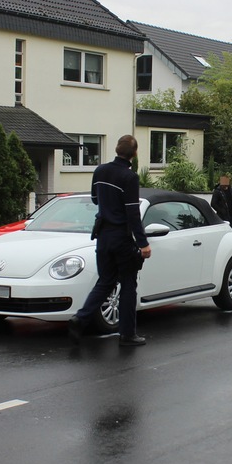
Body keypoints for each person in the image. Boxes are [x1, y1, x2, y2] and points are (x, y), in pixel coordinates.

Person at [67, 135, 152, 347]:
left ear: (116, 149)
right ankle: (127, 334)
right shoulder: (129, 177)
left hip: (102, 235)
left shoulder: (100, 170)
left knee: (105, 281)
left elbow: (95, 199)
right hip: (121, 238)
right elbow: (132, 213)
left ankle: (81, 318)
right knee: (129, 283)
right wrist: (143, 244)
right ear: (134, 153)